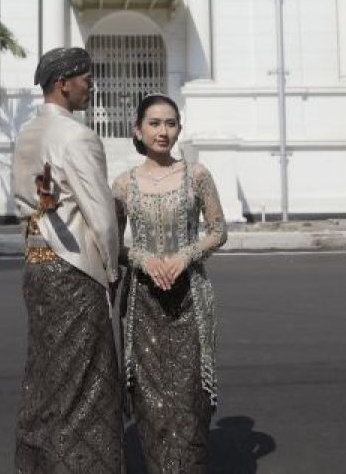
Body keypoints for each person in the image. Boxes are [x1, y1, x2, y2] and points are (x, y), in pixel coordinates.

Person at [12, 47, 122, 474]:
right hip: (75, 268)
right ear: (63, 84)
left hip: (36, 264)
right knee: (86, 386)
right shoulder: (77, 136)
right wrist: (112, 272)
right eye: (85, 78)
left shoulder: (26, 133)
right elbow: (101, 216)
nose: (90, 85)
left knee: (45, 377)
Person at [113, 93, 228, 474]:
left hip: (190, 300)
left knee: (190, 400)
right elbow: (112, 245)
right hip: (143, 304)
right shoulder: (123, 184)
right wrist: (144, 259)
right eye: (155, 123)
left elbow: (218, 231)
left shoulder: (196, 175)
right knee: (152, 404)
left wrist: (184, 256)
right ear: (138, 130)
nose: (163, 132)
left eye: (171, 124)